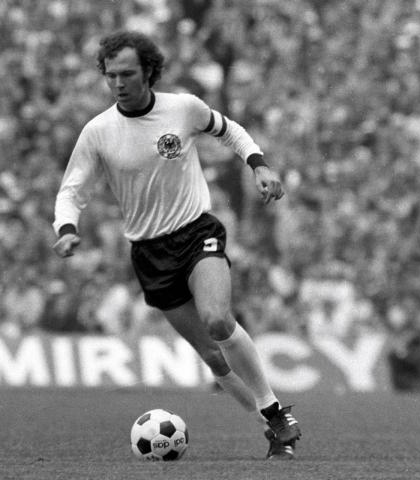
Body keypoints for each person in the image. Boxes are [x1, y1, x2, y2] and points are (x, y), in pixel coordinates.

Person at [52, 31, 301, 460]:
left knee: (217, 319)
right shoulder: (98, 132)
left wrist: (258, 165)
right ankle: (268, 427)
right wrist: (66, 228)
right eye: (110, 75)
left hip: (196, 231)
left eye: (127, 73)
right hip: (149, 253)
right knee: (212, 356)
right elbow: (71, 190)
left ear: (149, 71)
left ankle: (276, 411)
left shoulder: (183, 108)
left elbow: (230, 131)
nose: (118, 83)